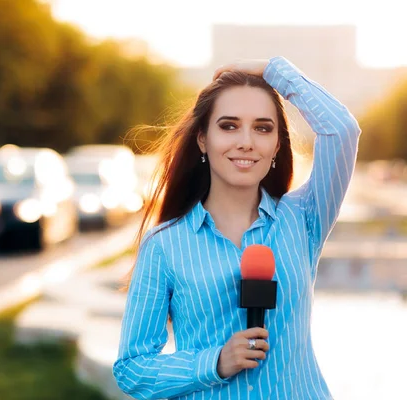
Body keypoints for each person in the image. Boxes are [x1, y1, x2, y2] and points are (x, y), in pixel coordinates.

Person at [112, 56, 361, 399]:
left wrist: (273, 70)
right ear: (203, 140)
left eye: (262, 128)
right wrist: (214, 362)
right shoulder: (164, 245)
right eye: (229, 126)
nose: (246, 141)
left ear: (277, 144)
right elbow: (132, 368)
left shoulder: (302, 218)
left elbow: (342, 130)